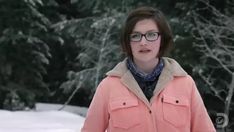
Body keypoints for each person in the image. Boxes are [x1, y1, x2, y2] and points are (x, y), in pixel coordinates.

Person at [81, 6, 216, 132]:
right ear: (128, 41)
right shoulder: (108, 87)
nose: (143, 42)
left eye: (151, 35)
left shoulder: (185, 84)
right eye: (136, 36)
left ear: (162, 39)